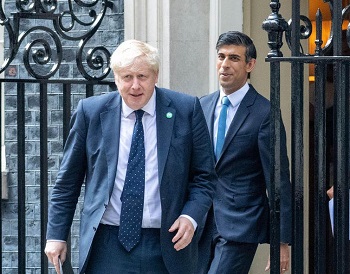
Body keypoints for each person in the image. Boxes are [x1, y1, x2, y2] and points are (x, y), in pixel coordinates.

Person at [44, 39, 217, 274]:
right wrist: (56, 235)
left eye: (142, 77)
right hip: (107, 245)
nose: (135, 86)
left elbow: (205, 176)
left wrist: (191, 216)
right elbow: (67, 182)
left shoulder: (186, 109)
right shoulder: (91, 112)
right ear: (116, 78)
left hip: (167, 244)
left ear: (155, 76)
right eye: (127, 77)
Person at [199, 31, 292, 274]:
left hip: (240, 226)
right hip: (199, 224)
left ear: (250, 64)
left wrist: (281, 240)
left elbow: (279, 179)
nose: (225, 65)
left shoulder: (264, 113)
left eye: (234, 58)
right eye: (221, 57)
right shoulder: (201, 106)